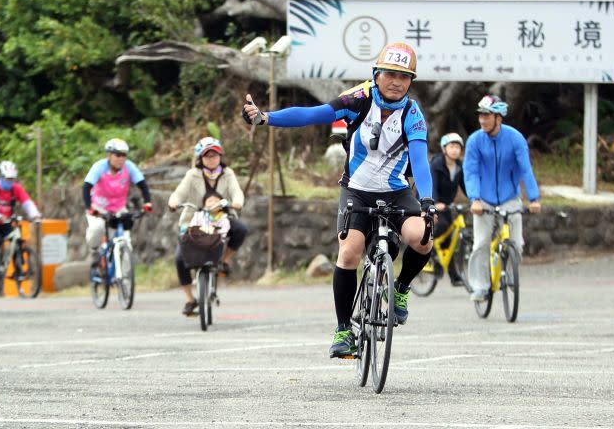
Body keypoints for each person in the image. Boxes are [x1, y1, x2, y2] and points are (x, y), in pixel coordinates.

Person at [242, 41, 436, 358]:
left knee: (423, 237)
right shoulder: (358, 99)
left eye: (404, 77)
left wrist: (427, 201)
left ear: (411, 82)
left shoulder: (412, 114)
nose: (396, 82)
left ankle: (400, 288)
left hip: (396, 190)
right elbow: (311, 115)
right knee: (349, 253)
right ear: (376, 74)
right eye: (390, 74)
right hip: (357, 190)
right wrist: (266, 118)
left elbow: (420, 159)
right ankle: (344, 329)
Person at [463, 95, 541, 302]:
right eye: (480, 115)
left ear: (499, 118)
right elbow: (471, 172)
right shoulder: (474, 141)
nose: (482, 120)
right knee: (481, 243)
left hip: (510, 197)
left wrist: (534, 199)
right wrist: (475, 199)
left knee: (517, 243)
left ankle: (508, 272)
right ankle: (480, 286)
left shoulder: (515, 139)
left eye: (487, 116)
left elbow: (526, 169)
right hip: (484, 199)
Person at [168, 137, 249, 316]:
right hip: (194, 219)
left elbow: (237, 192)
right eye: (207, 156)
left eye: (215, 155)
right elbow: (179, 193)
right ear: (200, 158)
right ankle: (190, 299)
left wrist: (236, 203)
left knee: (241, 229)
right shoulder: (192, 174)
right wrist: (174, 202)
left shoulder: (228, 173)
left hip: (221, 217)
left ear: (220, 156)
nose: (211, 159)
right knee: (180, 258)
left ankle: (224, 261)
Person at [83, 138, 153, 272]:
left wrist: (147, 203)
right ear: (109, 155)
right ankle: (94, 252)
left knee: (126, 242)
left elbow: (143, 185)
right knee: (97, 228)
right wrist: (89, 208)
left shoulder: (129, 167)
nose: (121, 158)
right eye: (118, 155)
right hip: (98, 207)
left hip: (119, 208)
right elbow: (86, 187)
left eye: (124, 155)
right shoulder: (99, 167)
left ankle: (125, 281)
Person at [0, 161, 42, 278]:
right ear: (0, 177)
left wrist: (35, 215)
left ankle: (18, 271)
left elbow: (27, 203)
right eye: (7, 179)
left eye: (12, 179)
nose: (10, 182)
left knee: (18, 241)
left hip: (5, 221)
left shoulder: (16, 188)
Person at [430, 132, 467, 285]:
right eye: (451, 146)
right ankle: (433, 258)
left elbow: (466, 187)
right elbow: (431, 185)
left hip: (447, 206)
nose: (455, 150)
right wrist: (435, 202)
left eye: (458, 147)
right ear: (444, 149)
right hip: (432, 202)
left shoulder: (459, 166)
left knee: (450, 238)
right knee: (440, 229)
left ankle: (454, 276)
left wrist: (476, 199)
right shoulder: (436, 164)